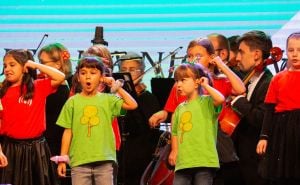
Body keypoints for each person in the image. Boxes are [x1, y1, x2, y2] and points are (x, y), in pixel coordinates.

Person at [149, 37, 246, 185]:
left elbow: (240, 89)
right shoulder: (180, 86)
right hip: (187, 141)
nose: (193, 60)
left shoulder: (218, 81)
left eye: (198, 56)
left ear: (211, 57)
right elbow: (172, 111)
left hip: (211, 140)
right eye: (190, 56)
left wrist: (221, 64)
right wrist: (162, 113)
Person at [56, 56, 137, 185]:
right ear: (78, 77)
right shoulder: (72, 102)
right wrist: (62, 159)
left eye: (93, 73)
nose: (88, 77)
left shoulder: (108, 100)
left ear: (101, 77)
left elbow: (132, 104)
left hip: (104, 160)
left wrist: (115, 86)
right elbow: (67, 131)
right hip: (79, 161)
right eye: (83, 73)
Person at [0, 49, 65, 185]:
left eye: (12, 65)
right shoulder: (2, 92)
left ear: (24, 67)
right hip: (11, 149)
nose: (7, 69)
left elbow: (60, 77)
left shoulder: (38, 87)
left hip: (36, 149)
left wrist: (36, 65)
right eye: (5, 65)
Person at [168, 63, 225, 185]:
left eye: (183, 80)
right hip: (183, 161)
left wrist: (206, 85)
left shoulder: (207, 102)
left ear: (196, 82)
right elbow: (174, 132)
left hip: (203, 160)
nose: (178, 84)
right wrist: (174, 150)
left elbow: (220, 99)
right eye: (177, 81)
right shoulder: (179, 109)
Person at [256, 32, 300, 185]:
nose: (295, 54)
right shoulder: (278, 78)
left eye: (299, 50)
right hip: (283, 130)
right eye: (291, 50)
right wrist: (264, 137)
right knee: (284, 173)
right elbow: (269, 111)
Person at [230, 30, 273, 185]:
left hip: (256, 162)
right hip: (241, 159)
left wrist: (238, 101)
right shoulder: (246, 80)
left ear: (256, 55)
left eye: (241, 52)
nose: (237, 57)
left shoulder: (269, 83)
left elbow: (261, 118)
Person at [116, 52, 162, 185]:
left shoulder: (148, 97)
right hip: (122, 150)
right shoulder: (116, 97)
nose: (127, 74)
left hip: (141, 150)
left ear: (142, 72)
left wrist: (131, 95)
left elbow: (147, 127)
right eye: (123, 70)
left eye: (132, 70)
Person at [38, 43, 73, 185]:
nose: (40, 67)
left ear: (58, 64)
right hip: (45, 142)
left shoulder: (62, 88)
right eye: (39, 63)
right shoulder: (43, 82)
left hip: (55, 144)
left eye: (44, 63)